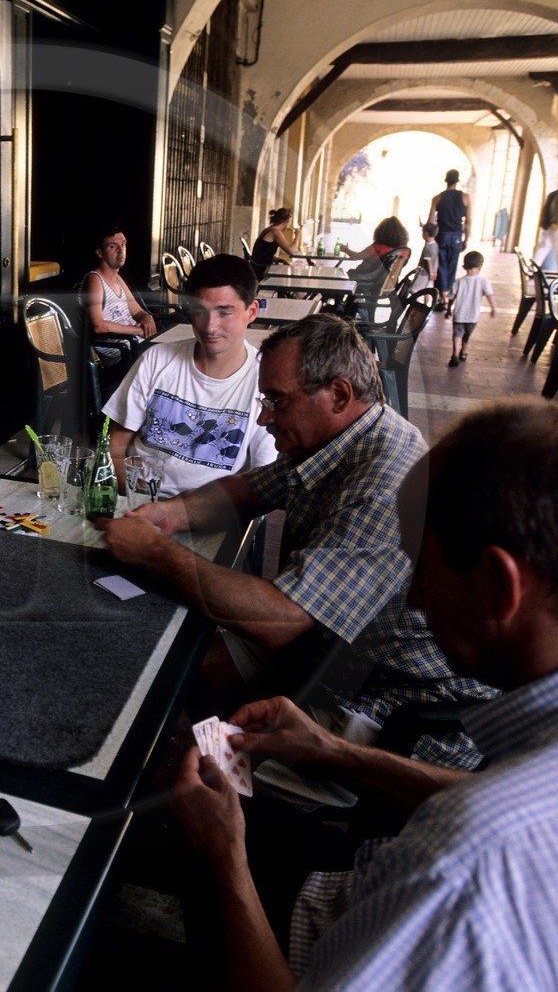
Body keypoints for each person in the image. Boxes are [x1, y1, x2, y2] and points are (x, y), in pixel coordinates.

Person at [169, 398, 558, 989]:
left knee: (176, 826)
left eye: (422, 568)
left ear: (502, 586)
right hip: (375, 883)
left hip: (340, 940)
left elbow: (492, 842)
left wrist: (224, 859)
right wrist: (337, 753)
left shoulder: (477, 868)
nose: (416, 597)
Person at [98, 314, 496, 770]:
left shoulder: (383, 482)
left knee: (179, 760)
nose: (265, 417)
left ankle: (219, 803)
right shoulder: (342, 437)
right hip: (329, 651)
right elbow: (245, 489)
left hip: (388, 702)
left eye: (278, 402)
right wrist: (170, 514)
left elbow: (279, 621)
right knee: (187, 664)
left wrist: (154, 550)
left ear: (339, 395)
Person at [103, 254, 279, 498]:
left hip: (213, 514)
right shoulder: (157, 360)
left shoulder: (266, 380)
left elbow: (262, 479)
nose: (209, 326)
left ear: (251, 311)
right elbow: (113, 450)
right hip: (140, 502)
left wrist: (183, 515)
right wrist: (136, 498)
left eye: (224, 312)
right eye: (199, 311)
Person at [79, 227, 158, 397]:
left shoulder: (117, 278)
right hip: (118, 356)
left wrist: (146, 317)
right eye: (113, 246)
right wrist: (138, 330)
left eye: (123, 244)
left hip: (135, 347)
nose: (121, 250)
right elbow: (98, 325)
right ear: (100, 253)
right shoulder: (95, 279)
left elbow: (136, 309)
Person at [428, 168, 469, 315]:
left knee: (440, 266)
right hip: (457, 236)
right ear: (457, 181)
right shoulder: (465, 197)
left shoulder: (437, 198)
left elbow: (431, 221)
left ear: (446, 180)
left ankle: (442, 298)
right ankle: (447, 296)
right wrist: (466, 239)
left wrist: (428, 238)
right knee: (452, 266)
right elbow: (468, 222)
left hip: (442, 235)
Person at [446, 249, 495, 367]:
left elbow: (451, 297)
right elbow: (489, 295)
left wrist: (448, 309)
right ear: (480, 266)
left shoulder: (458, 282)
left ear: (464, 266)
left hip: (459, 314)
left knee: (457, 335)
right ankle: (464, 352)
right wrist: (493, 307)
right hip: (473, 316)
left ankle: (455, 355)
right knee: (467, 335)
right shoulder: (483, 281)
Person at [250, 207, 300, 277]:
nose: (289, 226)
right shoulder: (275, 232)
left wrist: (279, 259)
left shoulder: (268, 229)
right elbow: (291, 251)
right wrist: (297, 236)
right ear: (287, 221)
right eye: (289, 223)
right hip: (262, 268)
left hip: (257, 265)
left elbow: (264, 253)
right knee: (292, 274)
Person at [415, 222, 438, 292]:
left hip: (423, 272)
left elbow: (429, 261)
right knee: (427, 290)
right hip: (432, 271)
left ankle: (416, 301)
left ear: (426, 233)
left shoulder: (427, 247)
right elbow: (437, 259)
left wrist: (430, 273)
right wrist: (435, 271)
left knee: (413, 288)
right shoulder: (435, 244)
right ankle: (427, 302)